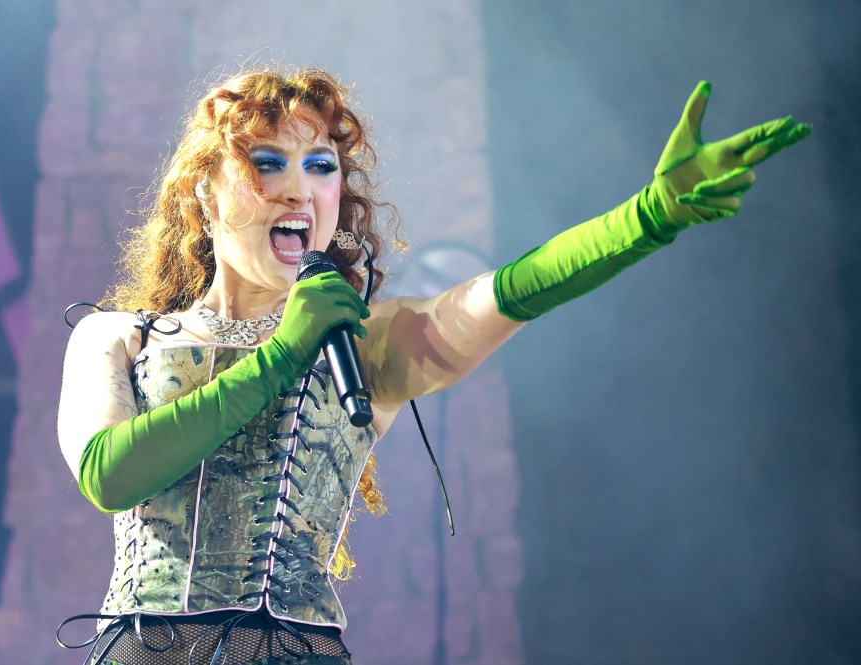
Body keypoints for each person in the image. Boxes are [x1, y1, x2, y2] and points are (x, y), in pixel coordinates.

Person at [55, 67, 810, 665]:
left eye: (321, 164)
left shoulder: (364, 340)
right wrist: (286, 349)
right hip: (146, 654)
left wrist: (644, 219)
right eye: (266, 160)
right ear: (202, 192)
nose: (298, 184)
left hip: (294, 651)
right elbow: (110, 474)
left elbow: (511, 289)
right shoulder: (118, 337)